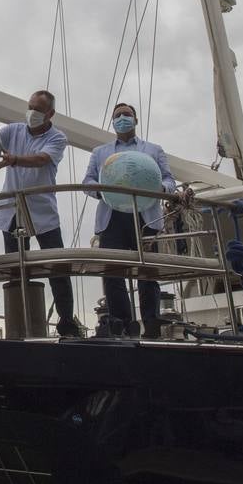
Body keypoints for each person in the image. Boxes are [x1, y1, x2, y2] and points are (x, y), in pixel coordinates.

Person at [0, 90, 79, 337]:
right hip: (11, 212)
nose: (32, 113)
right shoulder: (13, 130)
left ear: (50, 114)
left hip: (43, 214)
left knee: (58, 270)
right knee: (16, 269)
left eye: (38, 110)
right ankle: (20, 326)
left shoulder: (58, 138)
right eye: (30, 107)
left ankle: (67, 324)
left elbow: (42, 159)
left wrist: (14, 159)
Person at [82, 103, 175, 338]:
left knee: (147, 272)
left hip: (146, 217)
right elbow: (88, 182)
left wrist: (160, 188)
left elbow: (169, 180)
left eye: (127, 115)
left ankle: (151, 324)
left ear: (136, 119)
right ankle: (121, 323)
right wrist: (103, 192)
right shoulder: (100, 153)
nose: (122, 118)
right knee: (113, 272)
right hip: (111, 217)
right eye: (118, 116)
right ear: (112, 121)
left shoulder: (154, 150)